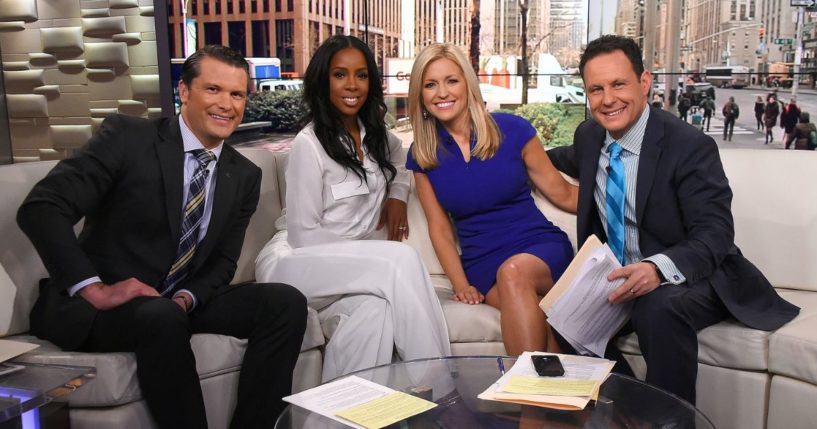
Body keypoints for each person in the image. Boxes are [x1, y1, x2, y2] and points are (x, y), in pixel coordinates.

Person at [17, 45, 308, 428]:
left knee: (284, 302)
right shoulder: (128, 137)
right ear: (185, 92)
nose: (227, 104)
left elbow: (223, 262)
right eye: (213, 90)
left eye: (237, 94)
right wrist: (95, 289)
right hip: (105, 310)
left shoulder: (244, 174)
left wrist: (187, 299)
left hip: (176, 305)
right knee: (159, 316)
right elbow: (42, 207)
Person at [546, 35, 799, 404]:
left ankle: (671, 420)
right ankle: (629, 412)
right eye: (596, 89)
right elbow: (549, 159)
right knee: (563, 314)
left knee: (658, 307)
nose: (608, 99)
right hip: (620, 276)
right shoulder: (590, 137)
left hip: (695, 277)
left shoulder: (689, 145)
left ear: (644, 82)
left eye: (618, 84)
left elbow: (715, 234)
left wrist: (656, 269)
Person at [254, 35, 450, 382]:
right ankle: (439, 390)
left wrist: (397, 196)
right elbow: (304, 236)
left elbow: (402, 162)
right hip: (294, 264)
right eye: (340, 74)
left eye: (361, 75)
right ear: (323, 80)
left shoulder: (374, 135)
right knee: (399, 259)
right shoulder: (309, 144)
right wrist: (367, 258)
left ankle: (337, 419)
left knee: (374, 314)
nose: (352, 85)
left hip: (347, 269)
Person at [405, 43, 578, 356]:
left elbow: (563, 193)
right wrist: (460, 284)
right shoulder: (423, 154)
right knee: (537, 322)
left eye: (451, 81)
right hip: (483, 266)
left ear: (468, 84)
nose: (442, 93)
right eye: (430, 84)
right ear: (420, 94)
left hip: (537, 248)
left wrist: (624, 199)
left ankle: (526, 405)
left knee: (514, 274)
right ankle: (569, 403)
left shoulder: (514, 130)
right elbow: (440, 228)